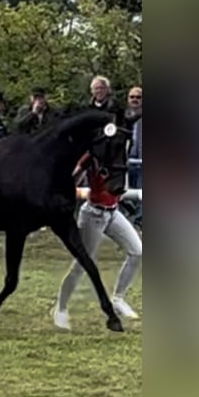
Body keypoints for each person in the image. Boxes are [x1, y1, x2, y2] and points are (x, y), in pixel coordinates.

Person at [51, 147, 143, 330]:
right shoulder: (91, 157)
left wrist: (135, 194)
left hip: (113, 212)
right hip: (93, 214)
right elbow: (72, 180)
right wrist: (75, 191)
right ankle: (60, 307)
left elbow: (118, 190)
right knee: (81, 264)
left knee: (137, 251)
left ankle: (118, 298)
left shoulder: (118, 157)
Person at [125, 86, 142, 228]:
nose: (135, 100)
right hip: (124, 161)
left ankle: (139, 221)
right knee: (124, 192)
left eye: (138, 97)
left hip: (142, 161)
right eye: (132, 97)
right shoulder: (124, 117)